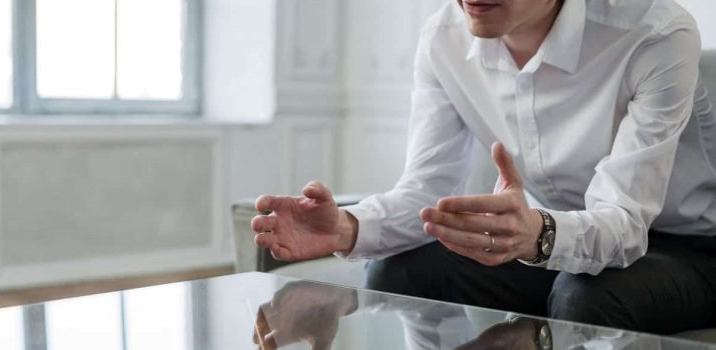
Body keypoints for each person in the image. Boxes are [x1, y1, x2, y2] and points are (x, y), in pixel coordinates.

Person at [251, 0, 716, 334]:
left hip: (691, 249)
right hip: (563, 241)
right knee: (401, 271)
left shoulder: (655, 34)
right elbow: (425, 191)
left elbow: (626, 222)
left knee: (585, 297)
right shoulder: (443, 38)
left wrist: (537, 234)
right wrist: (347, 228)